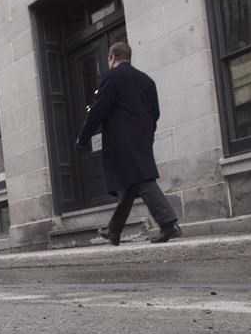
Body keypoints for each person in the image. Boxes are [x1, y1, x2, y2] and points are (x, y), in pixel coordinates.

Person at [75, 41, 181, 245]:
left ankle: (168, 223)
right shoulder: (147, 81)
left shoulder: (111, 77)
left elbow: (99, 109)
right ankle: (114, 231)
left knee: (142, 180)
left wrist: (84, 137)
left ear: (112, 58)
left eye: (109, 59)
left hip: (121, 139)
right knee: (129, 182)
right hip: (143, 137)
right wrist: (146, 132)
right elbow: (155, 113)